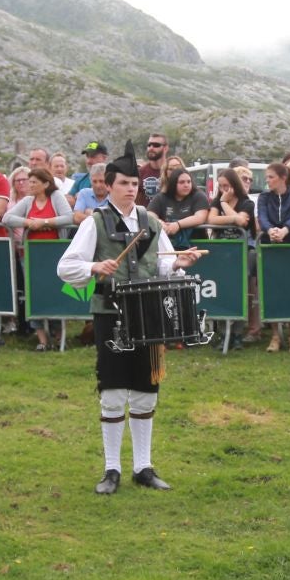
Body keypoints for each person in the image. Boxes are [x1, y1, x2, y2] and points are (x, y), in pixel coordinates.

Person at [57, 148, 205, 494]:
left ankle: (143, 466)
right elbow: (65, 267)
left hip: (149, 314)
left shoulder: (149, 221)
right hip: (111, 313)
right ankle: (111, 469)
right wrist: (94, 267)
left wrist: (181, 263)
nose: (129, 188)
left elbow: (164, 263)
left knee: (145, 390)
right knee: (112, 391)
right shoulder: (96, 222)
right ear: (108, 186)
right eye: (123, 183)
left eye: (134, 183)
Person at [4, 166, 74, 350]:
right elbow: (7, 218)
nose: (30, 185)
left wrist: (45, 222)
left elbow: (69, 217)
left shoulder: (56, 197)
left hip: (54, 254)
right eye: (29, 181)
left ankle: (59, 336)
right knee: (33, 293)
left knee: (55, 292)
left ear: (45, 184)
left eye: (34, 182)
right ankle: (42, 339)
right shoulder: (28, 201)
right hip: (31, 254)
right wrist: (27, 222)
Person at [256, 162, 290, 352]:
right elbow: (262, 217)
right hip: (270, 248)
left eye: (271, 177)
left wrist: (285, 230)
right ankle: (276, 336)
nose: (267, 180)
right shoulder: (263, 197)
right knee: (273, 290)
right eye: (267, 177)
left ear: (283, 178)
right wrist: (270, 230)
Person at [152, 166, 213, 249]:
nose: (186, 185)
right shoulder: (162, 197)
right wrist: (160, 223)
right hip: (168, 245)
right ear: (173, 183)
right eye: (182, 182)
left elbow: (200, 217)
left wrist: (177, 225)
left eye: (189, 182)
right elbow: (149, 214)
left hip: (196, 245)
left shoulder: (199, 195)